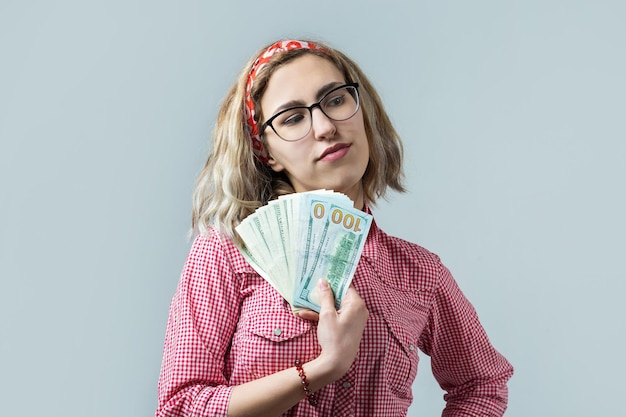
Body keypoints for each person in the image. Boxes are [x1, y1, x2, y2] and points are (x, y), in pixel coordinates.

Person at [155, 39, 514, 417]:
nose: (325, 126)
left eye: (336, 100)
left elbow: (482, 384)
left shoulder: (420, 273)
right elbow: (180, 407)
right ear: (267, 152)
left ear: (362, 111)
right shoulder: (228, 252)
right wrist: (325, 367)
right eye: (293, 118)